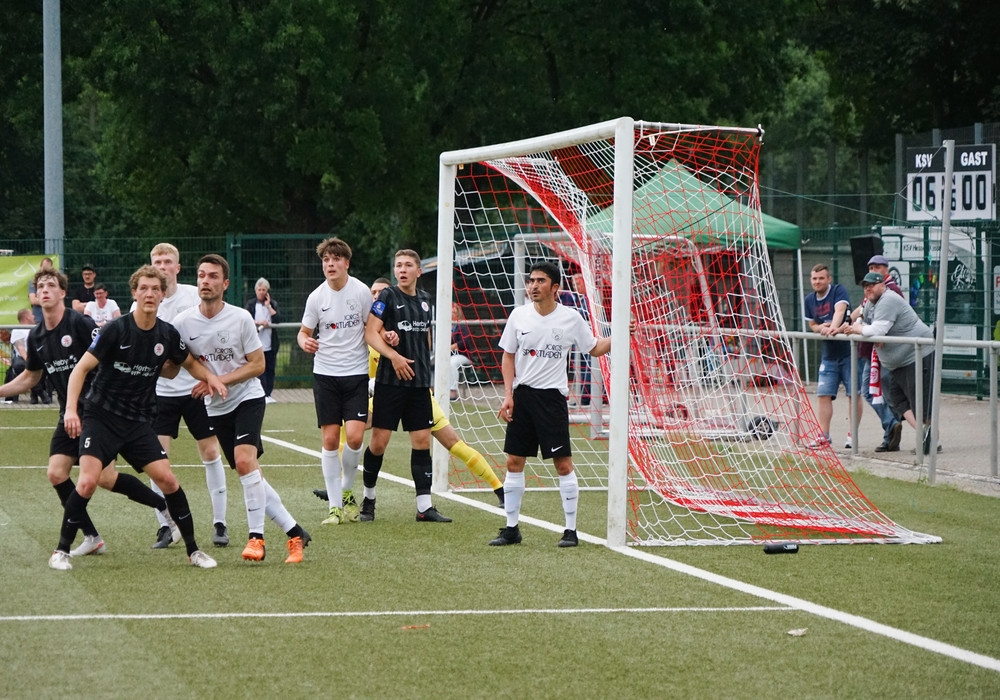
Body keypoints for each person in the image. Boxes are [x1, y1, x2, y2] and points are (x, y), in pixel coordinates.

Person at [52, 265, 227, 571]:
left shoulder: (167, 334)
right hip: (101, 417)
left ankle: (194, 551)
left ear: (162, 295)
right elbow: (80, 369)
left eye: (155, 289)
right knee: (88, 481)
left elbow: (189, 363)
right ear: (134, 293)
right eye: (143, 288)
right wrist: (70, 410)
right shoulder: (115, 329)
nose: (149, 294)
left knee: (168, 480)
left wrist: (211, 378)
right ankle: (61, 551)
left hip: (137, 422)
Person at [0, 271, 178, 562]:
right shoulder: (37, 336)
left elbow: (107, 358)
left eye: (51, 285)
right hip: (69, 413)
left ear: (62, 293)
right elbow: (31, 377)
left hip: (98, 412)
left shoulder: (80, 324)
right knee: (57, 473)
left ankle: (164, 508)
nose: (44, 290)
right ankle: (92, 537)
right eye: (40, 286)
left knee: (104, 478)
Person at [312, 277, 505, 508]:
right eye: (373, 293)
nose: (376, 297)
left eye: (381, 293)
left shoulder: (406, 322)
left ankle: (499, 488)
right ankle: (343, 489)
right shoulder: (367, 333)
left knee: (452, 441)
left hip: (416, 392)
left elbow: (425, 347)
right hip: (386, 393)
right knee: (349, 428)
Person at [173, 254, 310, 564]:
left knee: (244, 462)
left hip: (247, 397)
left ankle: (256, 539)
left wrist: (217, 380)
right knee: (250, 473)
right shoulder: (183, 323)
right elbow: (185, 361)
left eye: (213, 276)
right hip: (216, 407)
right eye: (201, 275)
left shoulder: (240, 318)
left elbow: (258, 365)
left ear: (225, 284)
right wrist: (203, 378)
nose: (205, 281)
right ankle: (295, 532)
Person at [489, 261, 628, 548]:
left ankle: (570, 531)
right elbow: (508, 355)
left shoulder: (570, 318)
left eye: (540, 281)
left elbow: (594, 348)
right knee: (513, 462)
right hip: (523, 397)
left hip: (552, 400)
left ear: (555, 288)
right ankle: (511, 528)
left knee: (563, 465)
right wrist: (508, 395)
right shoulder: (518, 315)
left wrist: (621, 334)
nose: (533, 286)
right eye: (531, 281)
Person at [140, 243, 230, 549]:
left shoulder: (194, 296)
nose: (162, 266)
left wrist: (210, 376)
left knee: (211, 453)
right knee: (155, 460)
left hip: (196, 390)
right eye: (157, 261)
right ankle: (166, 524)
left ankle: (220, 523)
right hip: (160, 394)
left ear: (177, 267)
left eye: (167, 261)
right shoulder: (145, 301)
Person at [362, 249, 452, 523]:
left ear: (418, 271)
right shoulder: (387, 297)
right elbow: (370, 332)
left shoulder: (425, 300)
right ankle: (368, 498)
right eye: (398, 265)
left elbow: (425, 338)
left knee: (422, 441)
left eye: (408, 265)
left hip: (419, 383)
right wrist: (393, 355)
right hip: (390, 383)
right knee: (379, 443)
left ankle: (424, 507)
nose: (402, 269)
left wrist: (425, 370)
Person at [297, 237, 372, 525]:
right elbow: (303, 332)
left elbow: (372, 328)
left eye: (336, 259)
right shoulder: (316, 297)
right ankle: (335, 507)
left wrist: (387, 337)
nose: (330, 264)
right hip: (326, 374)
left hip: (356, 373)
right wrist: (305, 342)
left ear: (346, 263)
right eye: (326, 260)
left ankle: (347, 490)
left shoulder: (361, 292)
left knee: (354, 437)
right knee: (329, 440)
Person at [845, 271, 938, 455]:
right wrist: (865, 329)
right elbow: (865, 323)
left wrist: (862, 330)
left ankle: (933, 441)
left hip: (917, 354)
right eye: (865, 286)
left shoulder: (888, 299)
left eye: (872, 285)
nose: (868, 289)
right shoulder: (871, 303)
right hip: (899, 362)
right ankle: (925, 435)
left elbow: (876, 329)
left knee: (920, 401)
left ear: (882, 285)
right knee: (895, 397)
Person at [848, 255, 904, 452]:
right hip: (870, 350)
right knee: (873, 392)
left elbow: (892, 320)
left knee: (882, 393)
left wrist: (882, 335)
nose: (873, 270)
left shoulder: (891, 290)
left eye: (877, 267)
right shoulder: (871, 289)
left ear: (886, 269)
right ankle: (891, 429)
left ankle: (892, 430)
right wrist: (843, 323)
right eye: (870, 267)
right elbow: (861, 311)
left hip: (883, 351)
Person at [803, 263, 859, 448]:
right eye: (814, 278)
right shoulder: (809, 300)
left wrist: (833, 328)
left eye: (821, 278)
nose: (817, 282)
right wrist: (821, 328)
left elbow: (840, 311)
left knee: (854, 394)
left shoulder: (838, 290)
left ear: (829, 279)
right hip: (828, 355)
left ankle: (853, 435)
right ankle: (824, 435)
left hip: (849, 352)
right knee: (823, 394)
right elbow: (812, 325)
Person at [245, 278, 280, 403]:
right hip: (257, 344)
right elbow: (246, 318)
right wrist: (258, 323)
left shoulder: (273, 304)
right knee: (260, 370)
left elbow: (278, 319)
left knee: (270, 368)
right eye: (259, 290)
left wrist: (269, 306)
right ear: (256, 291)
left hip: (270, 343)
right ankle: (261, 393)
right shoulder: (251, 304)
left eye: (264, 290)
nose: (261, 292)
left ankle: (268, 394)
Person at [2, 308, 34, 402]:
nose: (34, 316)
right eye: (32, 314)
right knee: (21, 366)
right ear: (27, 317)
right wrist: (29, 361)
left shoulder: (35, 329)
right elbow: (20, 348)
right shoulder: (17, 330)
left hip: (37, 358)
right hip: (23, 359)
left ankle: (38, 395)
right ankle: (40, 394)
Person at [449, 303, 474, 402]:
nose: (452, 315)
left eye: (454, 313)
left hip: (462, 355)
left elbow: (465, 342)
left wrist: (453, 347)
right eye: (450, 312)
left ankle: (453, 391)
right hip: (448, 355)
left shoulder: (462, 326)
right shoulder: (446, 326)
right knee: (432, 361)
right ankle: (432, 388)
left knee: (451, 363)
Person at [28, 257, 54, 323]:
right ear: (40, 267)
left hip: (52, 318)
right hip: (38, 319)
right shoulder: (33, 282)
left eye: (48, 268)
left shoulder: (54, 282)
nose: (45, 270)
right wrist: (49, 301)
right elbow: (33, 300)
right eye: (44, 267)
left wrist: (40, 300)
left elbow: (56, 300)